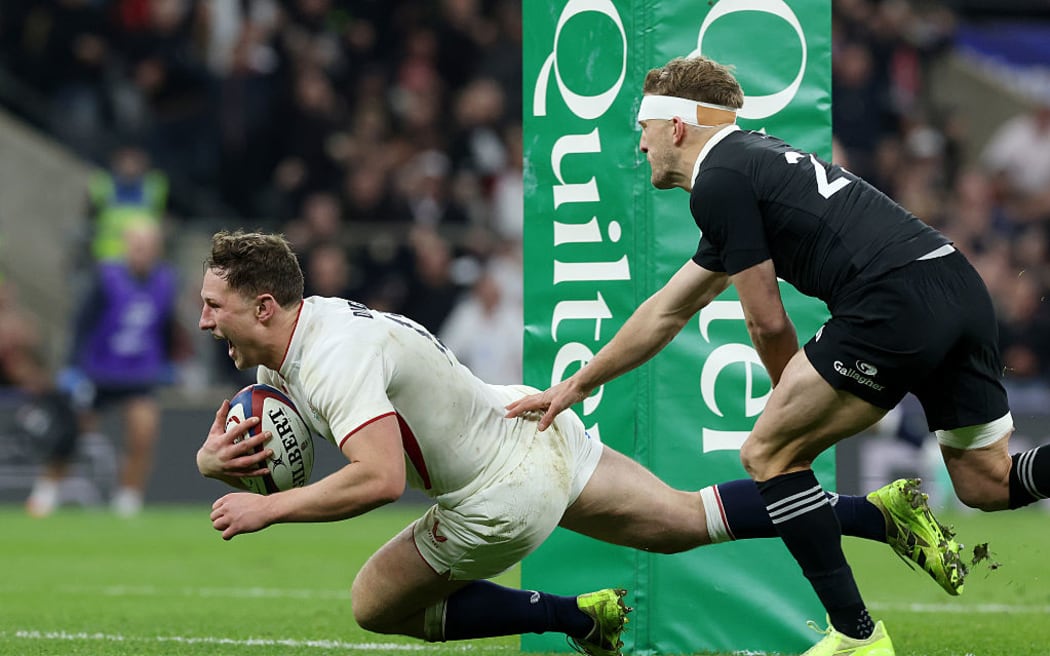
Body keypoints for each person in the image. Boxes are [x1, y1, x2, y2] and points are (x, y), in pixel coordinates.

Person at [506, 55, 1050, 656]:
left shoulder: (719, 181)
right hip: (955, 284)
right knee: (987, 483)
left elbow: (765, 319)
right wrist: (576, 385)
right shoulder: (750, 164)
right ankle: (882, 532)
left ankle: (857, 638)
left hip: (892, 299)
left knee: (767, 452)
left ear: (679, 127)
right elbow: (666, 310)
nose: (640, 145)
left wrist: (786, 391)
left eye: (643, 127)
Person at [196, 230, 962, 656]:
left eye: (213, 305)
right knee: (684, 521)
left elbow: (377, 479)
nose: (203, 321)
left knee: (373, 603)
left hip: (502, 493)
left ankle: (571, 617)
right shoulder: (312, 326)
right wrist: (209, 460)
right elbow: (284, 417)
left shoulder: (330, 358)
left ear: (264, 307)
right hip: (528, 424)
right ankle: (879, 515)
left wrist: (273, 510)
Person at [65, 220, 185, 516]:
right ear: (127, 247)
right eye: (137, 246)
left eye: (148, 247)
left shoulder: (166, 281)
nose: (142, 253)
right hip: (100, 372)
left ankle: (128, 498)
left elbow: (167, 327)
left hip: (140, 373)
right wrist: (73, 366)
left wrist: (169, 362)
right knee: (70, 435)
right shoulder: (105, 277)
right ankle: (48, 490)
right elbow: (82, 324)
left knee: (143, 435)